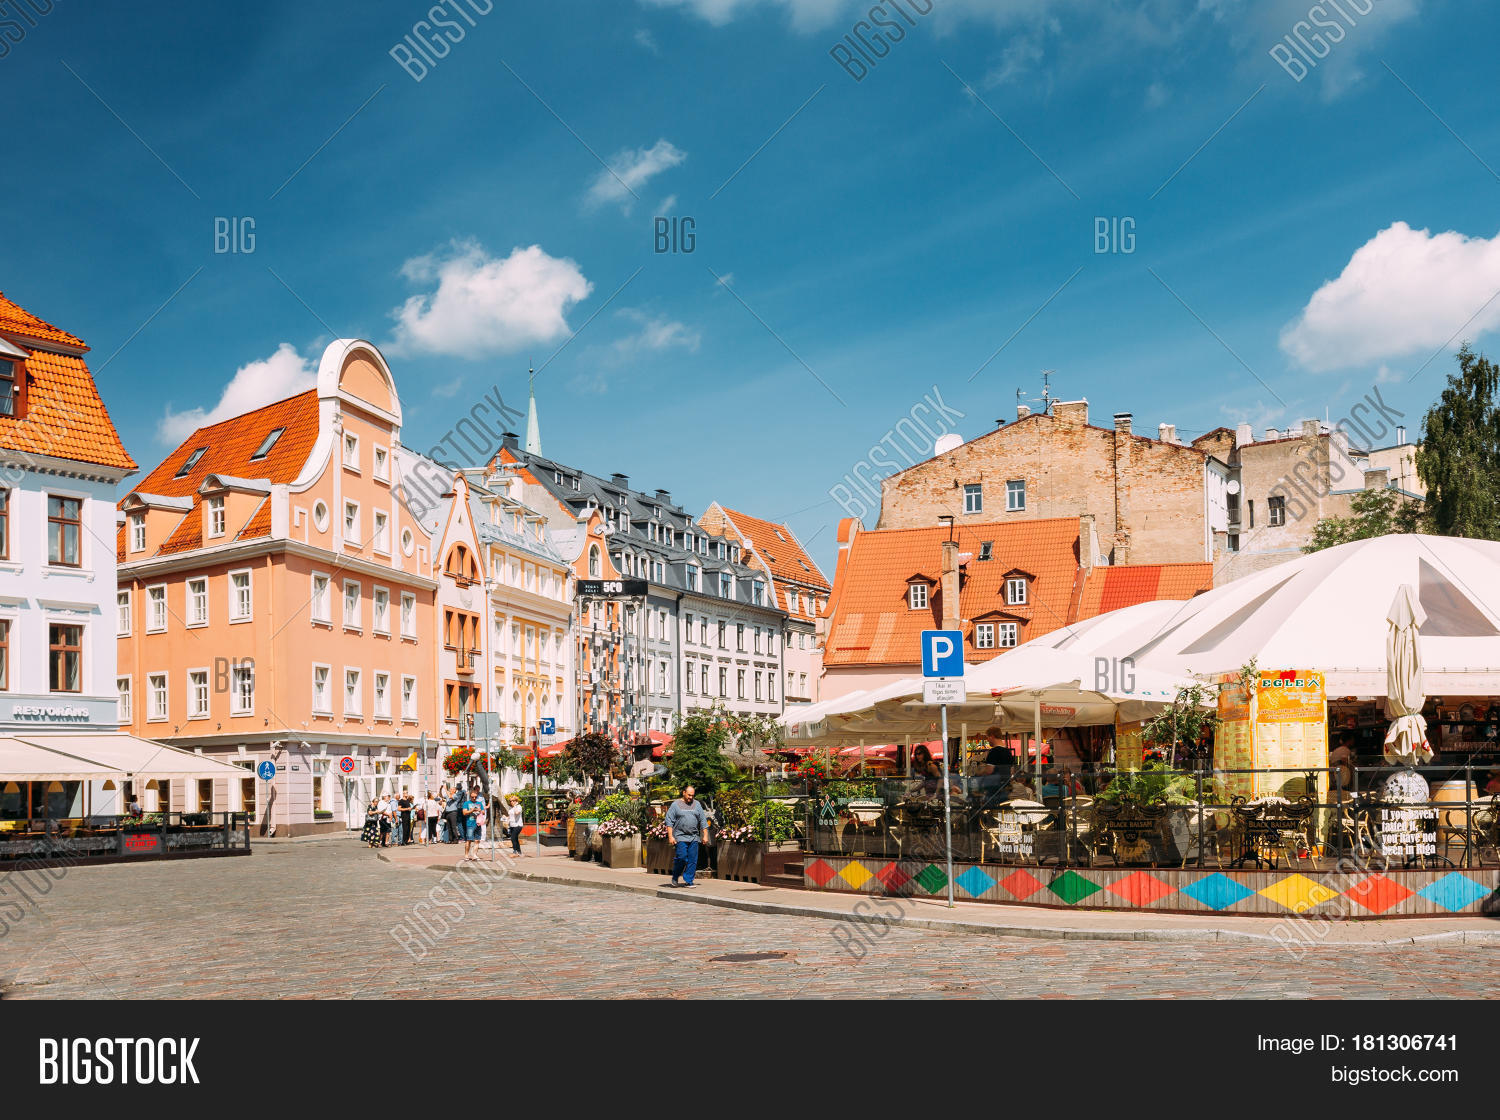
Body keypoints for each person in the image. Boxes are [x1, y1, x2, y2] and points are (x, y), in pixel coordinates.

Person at [665, 785, 709, 887]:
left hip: (693, 836)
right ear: (683, 793)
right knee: (682, 858)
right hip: (680, 836)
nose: (691, 797)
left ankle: (689, 880)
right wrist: (670, 836)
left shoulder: (697, 804)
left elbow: (703, 820)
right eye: (689, 795)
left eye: (692, 795)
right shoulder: (675, 805)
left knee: (693, 859)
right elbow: (669, 822)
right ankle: (675, 876)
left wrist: (705, 835)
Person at [461, 786, 482, 862]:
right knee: (469, 840)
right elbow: (464, 812)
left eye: (475, 797)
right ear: (470, 796)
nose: (474, 798)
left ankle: (474, 855)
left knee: (477, 840)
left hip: (478, 823)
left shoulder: (479, 803)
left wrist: (480, 810)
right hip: (470, 823)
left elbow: (483, 812)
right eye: (472, 797)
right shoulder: (466, 803)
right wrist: (472, 810)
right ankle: (466, 855)